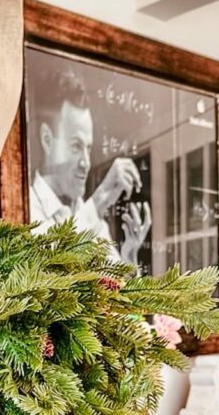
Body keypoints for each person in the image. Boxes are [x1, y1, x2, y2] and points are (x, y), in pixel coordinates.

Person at [29, 67, 151, 266]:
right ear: (47, 139)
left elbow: (118, 292)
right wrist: (100, 200)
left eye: (88, 148)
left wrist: (129, 255)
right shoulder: (25, 211)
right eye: (76, 146)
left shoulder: (91, 218)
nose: (86, 162)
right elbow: (52, 274)